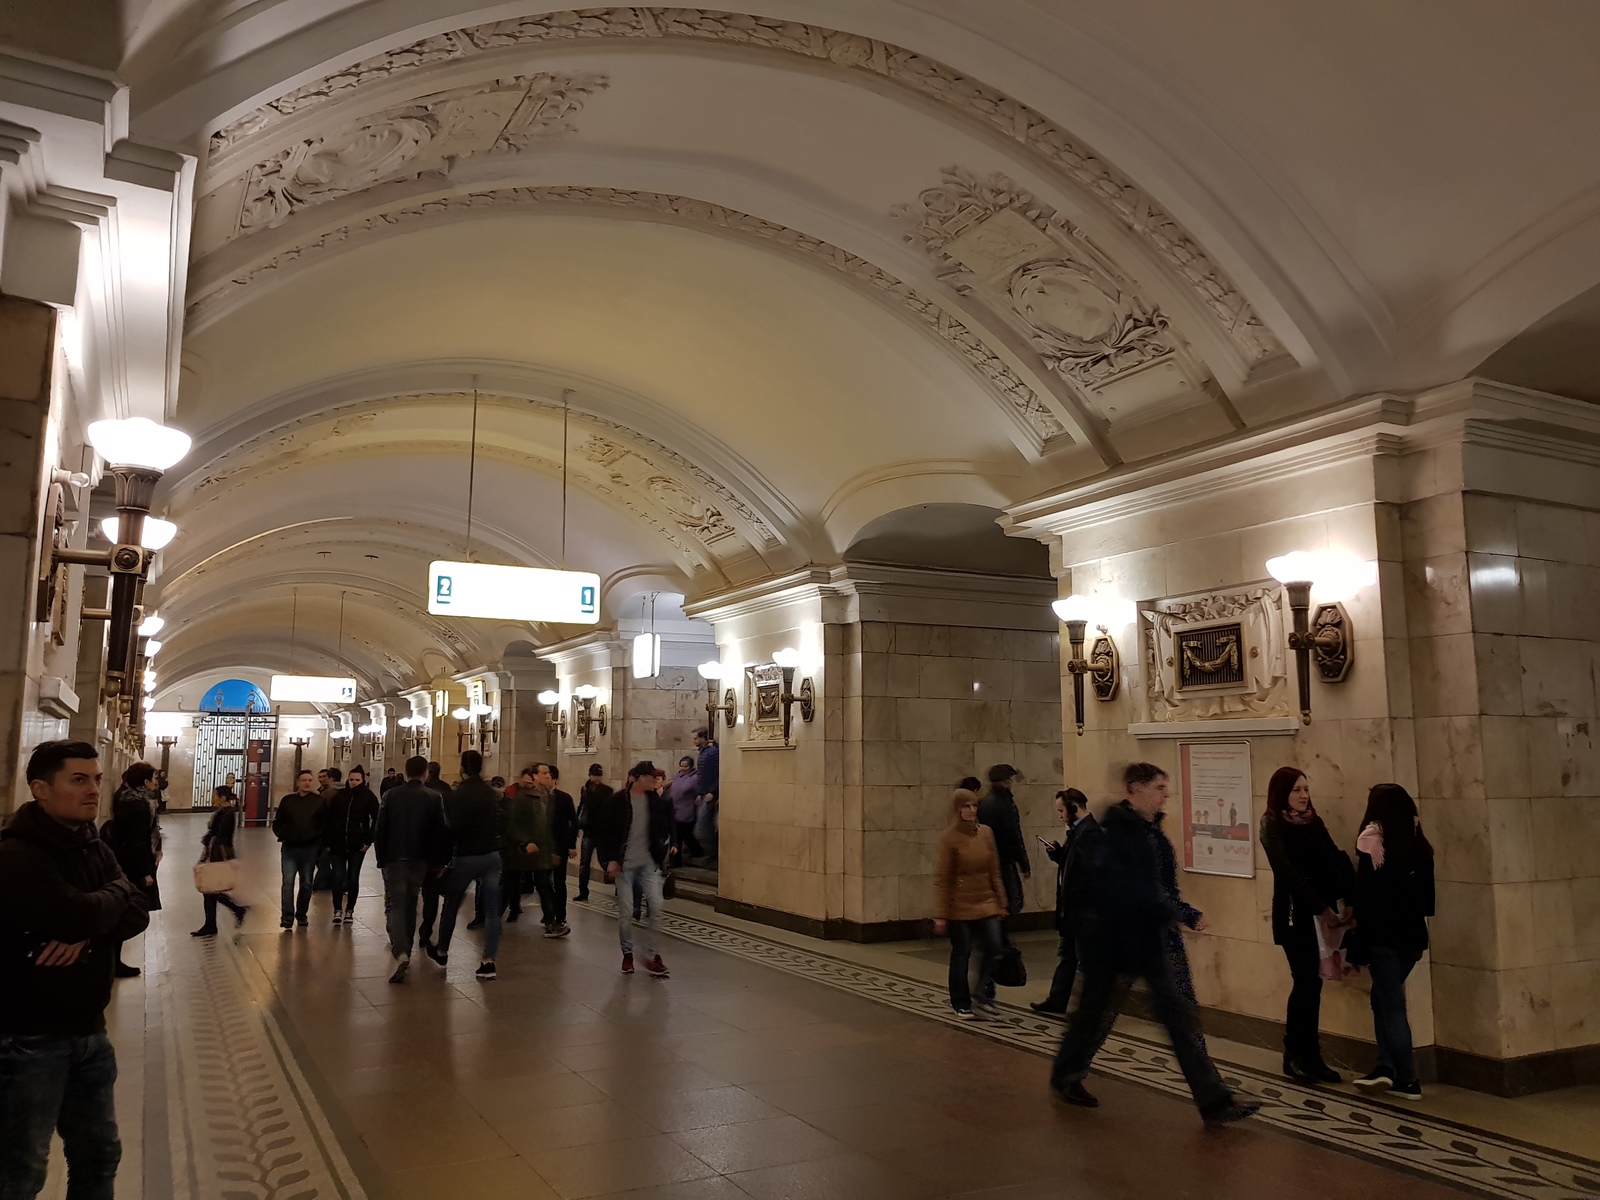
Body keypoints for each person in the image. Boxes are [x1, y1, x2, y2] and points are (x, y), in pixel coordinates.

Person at [1049, 762, 1257, 1126]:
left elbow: (1156, 888)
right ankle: (1066, 1074)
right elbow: (1132, 891)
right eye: (1159, 788)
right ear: (1135, 790)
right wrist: (1178, 912)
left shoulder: (1150, 833)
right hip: (1112, 942)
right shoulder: (1115, 833)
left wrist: (1173, 911)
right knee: (1094, 1015)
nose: (1165, 795)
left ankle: (1213, 1100)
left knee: (1177, 1019)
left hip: (1146, 940)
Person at [0, 740, 151, 1199]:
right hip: (29, 1041)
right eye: (79, 780)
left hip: (89, 1034)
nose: (92, 791)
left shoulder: (91, 843)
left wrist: (89, 925)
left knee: (99, 1154)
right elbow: (87, 912)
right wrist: (100, 911)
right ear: (40, 789)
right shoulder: (17, 855)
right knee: (21, 1170)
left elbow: (138, 911)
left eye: (97, 780)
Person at [1259, 767, 1355, 1084]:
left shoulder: (1314, 821)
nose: (1303, 796)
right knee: (1304, 982)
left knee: (1313, 985)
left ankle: (1312, 1056)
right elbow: (1286, 872)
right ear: (1281, 794)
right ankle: (1295, 1054)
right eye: (1296, 790)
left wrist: (1347, 900)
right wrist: (1321, 908)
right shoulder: (1271, 825)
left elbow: (1332, 858)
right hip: (1293, 916)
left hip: (1320, 914)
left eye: (1305, 789)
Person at [1347, 783, 1435, 1100]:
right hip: (1412, 940)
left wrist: (1357, 948)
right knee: (1382, 1000)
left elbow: (1367, 901)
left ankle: (1407, 1079)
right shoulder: (1421, 847)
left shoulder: (1373, 846)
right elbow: (1428, 904)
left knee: (1392, 1006)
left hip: (1383, 940)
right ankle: (1386, 1067)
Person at [427, 750, 505, 981]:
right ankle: (488, 960)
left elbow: (452, 828)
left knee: (452, 905)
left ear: (463, 767)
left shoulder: (459, 794)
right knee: (492, 912)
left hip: (467, 856)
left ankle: (442, 951)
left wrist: (441, 859)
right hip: (492, 856)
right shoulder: (490, 793)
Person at [593, 761, 672, 977]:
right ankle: (627, 953)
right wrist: (609, 860)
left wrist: (663, 847)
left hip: (648, 862)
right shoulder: (617, 802)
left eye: (655, 777)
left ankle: (653, 954)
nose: (654, 781)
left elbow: (662, 825)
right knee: (626, 912)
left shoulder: (655, 800)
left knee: (656, 905)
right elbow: (605, 833)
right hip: (624, 864)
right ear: (636, 778)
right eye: (649, 777)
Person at [933, 788, 1006, 1018]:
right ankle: (960, 1001)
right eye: (967, 806)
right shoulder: (949, 839)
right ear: (957, 810)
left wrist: (1001, 900)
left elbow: (994, 869)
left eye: (975, 806)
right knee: (962, 952)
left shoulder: (986, 833)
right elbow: (943, 879)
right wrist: (941, 914)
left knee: (995, 948)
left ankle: (982, 993)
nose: (972, 810)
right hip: (959, 905)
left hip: (986, 900)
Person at [375, 756, 446, 983]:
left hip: (394, 858)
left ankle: (402, 951)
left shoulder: (391, 795)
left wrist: (381, 858)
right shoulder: (434, 797)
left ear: (405, 772)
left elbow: (381, 829)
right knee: (411, 902)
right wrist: (438, 862)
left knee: (395, 904)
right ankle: (408, 946)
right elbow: (440, 833)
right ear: (426, 773)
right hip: (420, 859)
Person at [1032, 788, 1098, 1016]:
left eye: (1062, 810)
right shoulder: (1076, 832)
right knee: (1067, 956)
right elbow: (1073, 867)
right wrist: (1058, 854)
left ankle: (1083, 1007)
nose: (1060, 815)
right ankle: (1058, 999)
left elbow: (1088, 875)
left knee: (1082, 960)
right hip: (1072, 911)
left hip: (1082, 911)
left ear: (1073, 808)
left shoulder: (1090, 834)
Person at [102, 762, 162, 978]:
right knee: (127, 911)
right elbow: (137, 841)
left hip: (125, 860)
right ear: (145, 782)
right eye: (153, 779)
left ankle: (114, 960)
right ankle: (112, 962)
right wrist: (145, 872)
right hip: (132, 865)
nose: (156, 783)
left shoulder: (126, 797)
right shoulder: (137, 806)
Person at [324, 765, 379, 925]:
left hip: (357, 844)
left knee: (352, 878)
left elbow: (376, 818)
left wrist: (369, 840)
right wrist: (327, 840)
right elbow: (330, 818)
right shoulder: (340, 796)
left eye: (357, 780)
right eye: (351, 779)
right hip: (337, 843)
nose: (353, 782)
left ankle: (350, 910)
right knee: (337, 877)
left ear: (362, 780)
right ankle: (337, 909)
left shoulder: (368, 797)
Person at [272, 769, 325, 930]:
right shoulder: (288, 801)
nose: (307, 783)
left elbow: (323, 824)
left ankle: (301, 914)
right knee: (288, 883)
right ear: (298, 783)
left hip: (309, 849)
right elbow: (278, 821)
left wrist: (316, 839)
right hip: (290, 848)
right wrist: (283, 835)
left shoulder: (318, 801)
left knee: (307, 883)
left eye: (310, 780)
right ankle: (287, 917)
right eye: (304, 780)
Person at [191, 790, 249, 936]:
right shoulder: (221, 812)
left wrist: (220, 857)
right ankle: (219, 919)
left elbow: (222, 836)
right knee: (211, 891)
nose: (213, 798)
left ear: (223, 797)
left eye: (215, 795)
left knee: (211, 890)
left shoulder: (228, 813)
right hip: (214, 851)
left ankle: (228, 914)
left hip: (219, 854)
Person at [977, 764, 1030, 916]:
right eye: (1010, 779)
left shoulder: (983, 803)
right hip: (1005, 861)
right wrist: (1024, 864)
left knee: (996, 901)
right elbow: (1014, 835)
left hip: (989, 860)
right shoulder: (1005, 804)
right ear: (1004, 781)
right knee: (1012, 902)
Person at [535, 763, 578, 936]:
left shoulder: (564, 798)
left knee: (559, 882)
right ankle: (549, 913)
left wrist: (571, 845)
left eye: (548, 775)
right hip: (543, 846)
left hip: (560, 845)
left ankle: (560, 916)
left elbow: (574, 822)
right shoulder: (537, 797)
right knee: (543, 882)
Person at [417, 763, 453, 956]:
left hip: (428, 850)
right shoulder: (447, 789)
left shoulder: (426, 792)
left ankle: (425, 932)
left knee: (429, 896)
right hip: (445, 851)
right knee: (446, 896)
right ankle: (441, 936)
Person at [575, 763, 610, 902]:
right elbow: (582, 807)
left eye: (599, 775)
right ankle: (583, 891)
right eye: (595, 775)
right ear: (590, 775)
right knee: (584, 863)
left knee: (605, 861)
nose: (597, 778)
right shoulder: (585, 788)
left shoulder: (607, 791)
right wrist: (578, 824)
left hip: (601, 832)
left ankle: (619, 884)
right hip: (588, 831)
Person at [666, 756, 701, 866]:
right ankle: (697, 850)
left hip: (687, 810)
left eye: (685, 766)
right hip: (675, 808)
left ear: (690, 767)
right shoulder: (679, 775)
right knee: (686, 835)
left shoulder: (695, 778)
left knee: (677, 836)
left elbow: (697, 790)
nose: (682, 768)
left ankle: (675, 861)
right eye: (681, 766)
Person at [692, 729, 719, 866]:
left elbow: (716, 773)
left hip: (711, 793)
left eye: (695, 738)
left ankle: (714, 853)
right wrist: (700, 793)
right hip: (705, 792)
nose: (694, 741)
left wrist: (713, 792)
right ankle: (712, 853)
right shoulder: (704, 751)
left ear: (703, 737)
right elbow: (702, 775)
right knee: (703, 826)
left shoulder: (713, 752)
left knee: (703, 825)